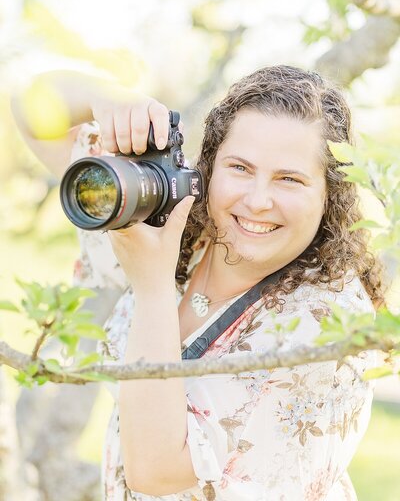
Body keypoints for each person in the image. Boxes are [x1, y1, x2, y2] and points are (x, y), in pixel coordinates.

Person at [12, 65, 385, 501]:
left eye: (289, 179)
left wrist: (151, 283)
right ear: (209, 165)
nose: (258, 200)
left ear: (330, 193)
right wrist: (107, 95)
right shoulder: (178, 225)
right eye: (240, 167)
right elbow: (30, 110)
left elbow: (157, 472)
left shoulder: (328, 321)